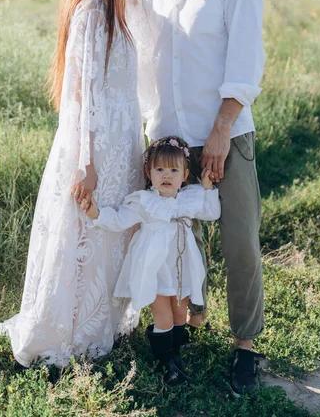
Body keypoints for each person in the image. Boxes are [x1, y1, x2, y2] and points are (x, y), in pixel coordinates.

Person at [124, 0, 265, 395]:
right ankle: (178, 327)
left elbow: (246, 61)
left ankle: (246, 348)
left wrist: (222, 130)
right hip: (167, 146)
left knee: (239, 244)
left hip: (224, 135)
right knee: (172, 242)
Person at [0, 0, 149, 367]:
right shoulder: (89, 12)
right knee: (85, 234)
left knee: (109, 236)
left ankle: (99, 322)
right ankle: (68, 330)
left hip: (122, 144)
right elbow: (81, 95)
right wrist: (86, 162)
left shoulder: (112, 2)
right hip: (96, 145)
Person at [83, 136, 220, 385]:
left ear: (185, 174)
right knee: (164, 316)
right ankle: (166, 363)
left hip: (182, 270)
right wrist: (97, 213)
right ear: (149, 172)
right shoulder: (145, 202)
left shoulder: (189, 198)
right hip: (154, 271)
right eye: (159, 170)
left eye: (173, 170)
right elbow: (120, 219)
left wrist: (208, 188)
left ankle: (175, 352)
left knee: (180, 314)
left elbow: (212, 213)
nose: (166, 175)